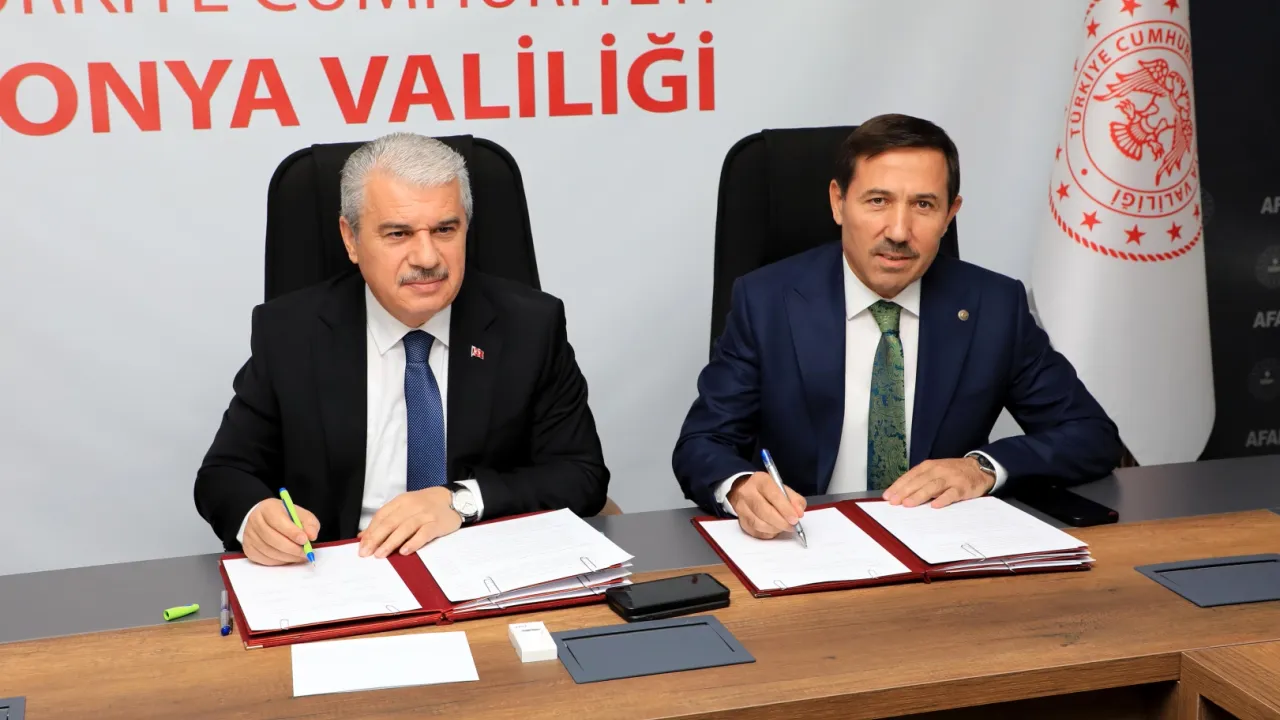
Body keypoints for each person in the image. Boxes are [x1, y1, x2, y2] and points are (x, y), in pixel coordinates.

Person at [672, 113, 1122, 540]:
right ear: (838, 202)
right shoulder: (766, 301)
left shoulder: (994, 306)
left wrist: (981, 468)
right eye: (878, 201)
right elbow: (702, 443)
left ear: (950, 214)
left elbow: (1091, 435)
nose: (899, 231)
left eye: (924, 205)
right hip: (805, 541)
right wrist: (739, 487)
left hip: (942, 547)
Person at [195, 132, 609, 564]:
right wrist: (255, 516)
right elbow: (225, 473)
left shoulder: (530, 326)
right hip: (343, 567)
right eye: (398, 233)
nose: (427, 258)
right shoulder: (290, 332)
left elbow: (581, 475)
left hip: (482, 565)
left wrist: (461, 500)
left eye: (445, 229)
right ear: (351, 239)